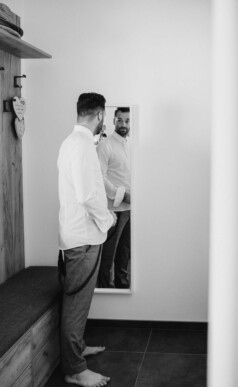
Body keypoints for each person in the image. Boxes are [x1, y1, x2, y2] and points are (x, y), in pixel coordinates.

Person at [57, 93, 116, 387]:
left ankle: (77, 350)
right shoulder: (80, 146)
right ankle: (75, 370)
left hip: (80, 236)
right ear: (100, 115)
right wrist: (108, 220)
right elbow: (87, 195)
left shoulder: (74, 143)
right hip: (83, 239)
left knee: (80, 302)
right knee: (76, 305)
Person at [97, 107, 131, 288]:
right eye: (120, 120)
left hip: (132, 209)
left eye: (127, 120)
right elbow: (99, 178)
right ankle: (104, 288)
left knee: (125, 252)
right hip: (114, 209)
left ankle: (122, 284)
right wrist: (123, 195)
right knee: (108, 255)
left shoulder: (133, 145)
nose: (123, 124)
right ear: (113, 121)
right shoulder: (105, 146)